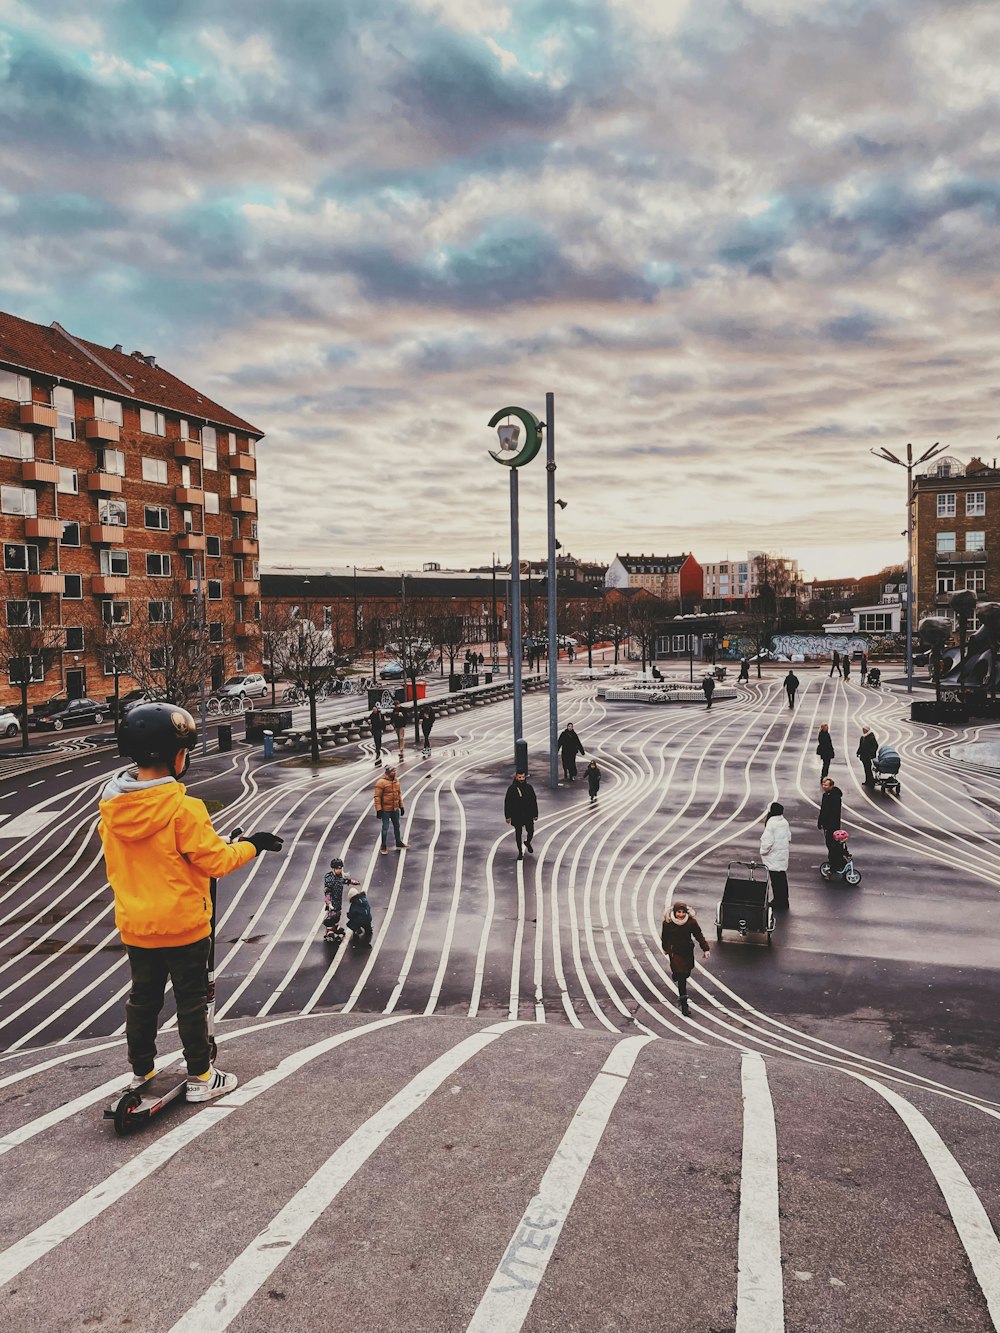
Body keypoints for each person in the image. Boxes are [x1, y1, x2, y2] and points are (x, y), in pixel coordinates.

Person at [99, 701, 284, 1103]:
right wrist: (251, 845)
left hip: (137, 926)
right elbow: (214, 862)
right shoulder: (184, 808)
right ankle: (201, 1074)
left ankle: (141, 1071)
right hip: (183, 926)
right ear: (176, 755)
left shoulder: (111, 811)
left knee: (143, 999)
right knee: (191, 1000)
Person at [660, 901, 710, 1016]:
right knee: (682, 977)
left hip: (687, 952)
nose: (681, 915)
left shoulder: (691, 922)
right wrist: (666, 948)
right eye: (678, 912)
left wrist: (705, 949)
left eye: (683, 912)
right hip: (675, 952)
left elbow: (698, 935)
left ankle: (677, 975)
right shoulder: (668, 923)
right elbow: (664, 937)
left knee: (686, 973)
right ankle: (684, 1005)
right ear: (674, 912)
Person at [759, 801, 791, 910]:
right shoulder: (784, 822)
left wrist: (763, 851)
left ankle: (777, 901)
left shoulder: (771, 823)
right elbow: (789, 837)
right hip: (782, 855)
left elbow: (767, 841)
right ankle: (784, 900)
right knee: (782, 878)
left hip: (773, 856)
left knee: (775, 880)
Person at [504, 768, 538, 860]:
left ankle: (527, 842)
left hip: (528, 813)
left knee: (531, 831)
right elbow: (507, 803)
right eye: (520, 777)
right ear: (516, 777)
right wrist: (508, 816)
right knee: (518, 833)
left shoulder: (529, 788)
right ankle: (520, 852)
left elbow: (533, 801)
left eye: (523, 777)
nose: (522, 779)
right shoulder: (511, 789)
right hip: (517, 814)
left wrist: (535, 814)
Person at [374, 763, 407, 854]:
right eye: (393, 771)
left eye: (395, 771)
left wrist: (401, 806)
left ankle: (398, 842)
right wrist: (379, 809)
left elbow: (398, 795)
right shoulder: (381, 782)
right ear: (388, 772)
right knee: (385, 828)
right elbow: (377, 797)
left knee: (397, 826)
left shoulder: (396, 781)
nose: (395, 772)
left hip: (395, 809)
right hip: (385, 810)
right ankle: (383, 846)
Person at [323, 857, 359, 941]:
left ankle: (334, 927)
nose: (339, 870)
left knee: (337, 914)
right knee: (331, 915)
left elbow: (344, 881)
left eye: (340, 868)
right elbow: (327, 891)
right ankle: (330, 931)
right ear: (333, 868)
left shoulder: (339, 877)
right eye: (337, 868)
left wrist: (352, 882)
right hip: (332, 901)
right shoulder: (330, 878)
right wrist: (328, 901)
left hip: (338, 900)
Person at [817, 777, 843, 861]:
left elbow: (830, 811)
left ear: (831, 786)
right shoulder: (826, 795)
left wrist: (826, 822)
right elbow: (823, 810)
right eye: (823, 784)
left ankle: (834, 860)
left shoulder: (834, 797)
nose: (824, 786)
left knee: (831, 843)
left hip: (832, 824)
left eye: (826, 785)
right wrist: (820, 821)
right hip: (828, 824)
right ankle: (834, 859)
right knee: (831, 843)